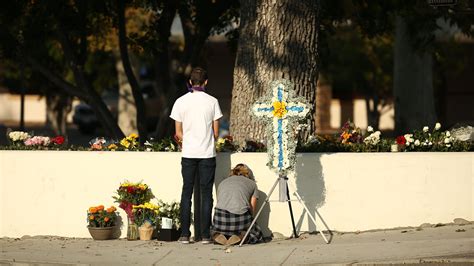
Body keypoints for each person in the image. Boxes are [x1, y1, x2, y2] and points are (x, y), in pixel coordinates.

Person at [170, 67, 223, 244]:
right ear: (206, 82)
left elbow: (178, 133)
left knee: (186, 192)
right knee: (207, 194)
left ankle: (185, 234)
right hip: (207, 153)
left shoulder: (180, 102)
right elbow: (216, 133)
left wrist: (186, 142)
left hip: (188, 153)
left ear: (190, 82)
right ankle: (206, 235)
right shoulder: (213, 101)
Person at [212, 164, 264, 245]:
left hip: (219, 218)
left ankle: (217, 235)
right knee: (256, 232)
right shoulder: (252, 184)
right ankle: (241, 237)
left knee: (215, 228)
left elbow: (220, 202)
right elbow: (252, 209)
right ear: (247, 174)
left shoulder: (222, 182)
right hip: (239, 218)